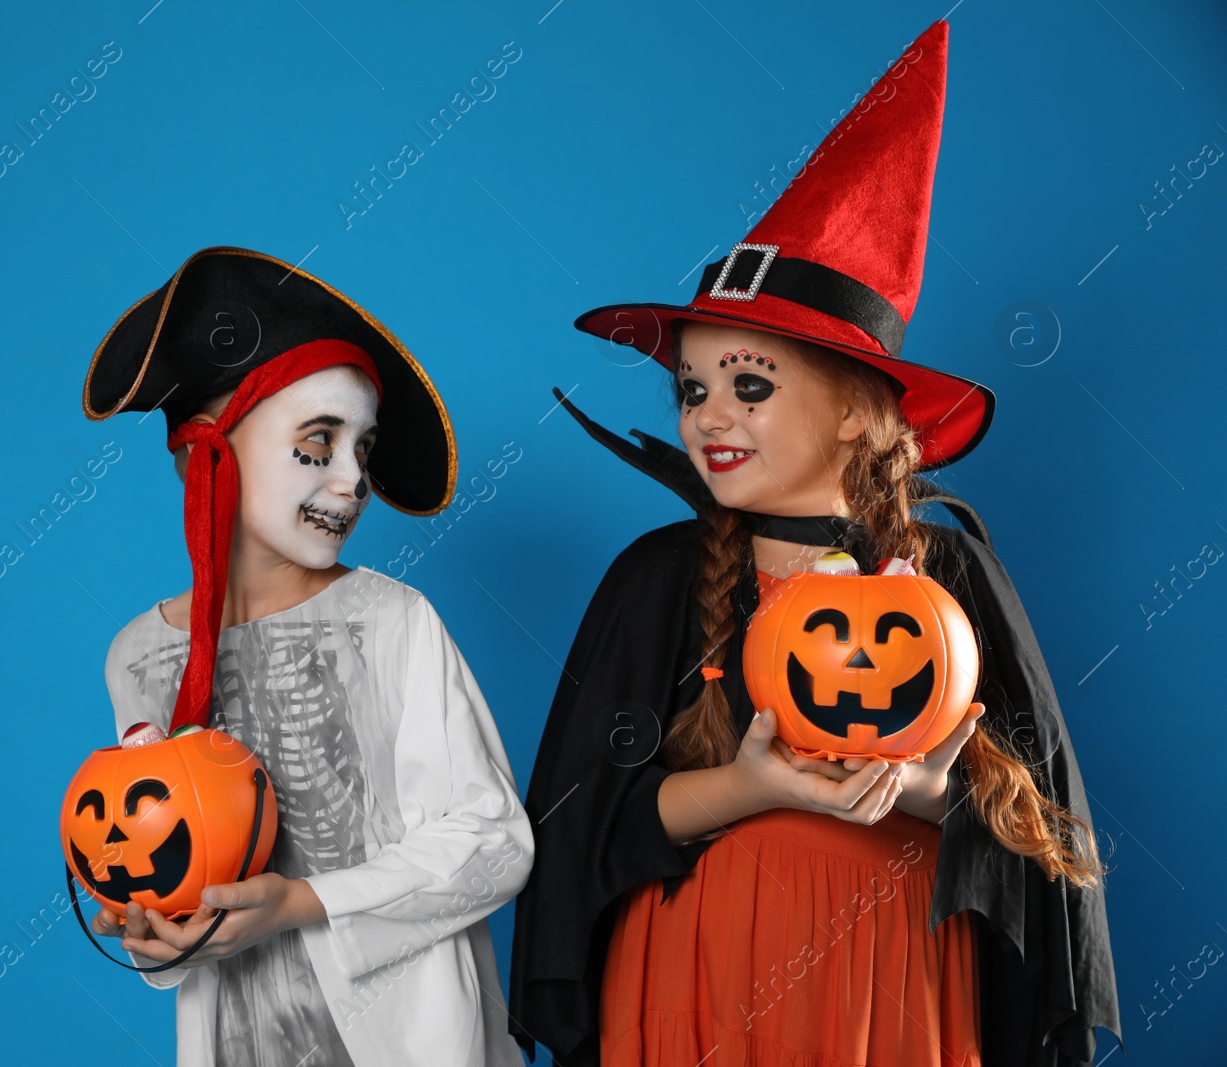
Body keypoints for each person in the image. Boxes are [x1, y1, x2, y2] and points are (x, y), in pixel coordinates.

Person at [509, 20, 1119, 1067]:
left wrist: (920, 787)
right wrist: (755, 786)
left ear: (852, 412)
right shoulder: (654, 580)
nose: (709, 415)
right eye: (691, 388)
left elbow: (1039, 851)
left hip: (889, 987)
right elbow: (580, 833)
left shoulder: (950, 573)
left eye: (750, 385)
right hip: (689, 978)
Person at [78, 246, 533, 1066]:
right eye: (319, 442)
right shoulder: (141, 656)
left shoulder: (393, 621)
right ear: (201, 452)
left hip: (410, 1035)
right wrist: (154, 928)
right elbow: (173, 858)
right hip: (240, 1036)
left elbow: (494, 839)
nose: (354, 479)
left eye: (363, 448)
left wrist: (303, 900)